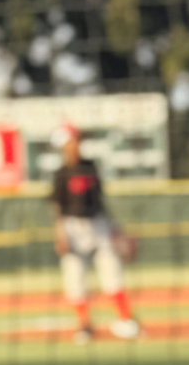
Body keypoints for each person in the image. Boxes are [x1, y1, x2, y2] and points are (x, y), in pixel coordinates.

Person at [51, 123, 140, 342]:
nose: (74, 145)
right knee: (75, 276)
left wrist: (116, 229)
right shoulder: (61, 173)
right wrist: (60, 235)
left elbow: (101, 201)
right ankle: (84, 326)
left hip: (98, 224)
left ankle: (125, 319)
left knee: (112, 270)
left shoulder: (90, 167)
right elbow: (57, 208)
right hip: (72, 226)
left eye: (76, 140)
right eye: (70, 141)